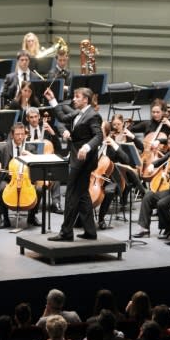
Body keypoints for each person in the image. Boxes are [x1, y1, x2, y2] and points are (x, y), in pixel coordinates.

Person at [48, 87, 103, 241]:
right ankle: (90, 232)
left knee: (71, 195)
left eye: (77, 97)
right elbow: (61, 117)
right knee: (83, 195)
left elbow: (99, 136)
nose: (74, 99)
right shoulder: (78, 112)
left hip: (84, 161)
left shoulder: (93, 115)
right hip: (76, 158)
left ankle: (66, 232)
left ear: (86, 99)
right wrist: (52, 99)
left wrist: (86, 147)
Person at [133, 131, 170, 239]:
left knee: (162, 203)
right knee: (148, 196)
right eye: (169, 143)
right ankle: (144, 229)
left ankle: (167, 230)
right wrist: (152, 165)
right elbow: (161, 161)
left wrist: (168, 177)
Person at [0, 122, 38, 228]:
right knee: (1, 188)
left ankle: (32, 217)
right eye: (17, 134)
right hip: (9, 179)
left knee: (39, 189)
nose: (20, 137)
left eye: (22, 134)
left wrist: (31, 156)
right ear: (12, 135)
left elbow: (38, 163)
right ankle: (5, 219)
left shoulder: (30, 147)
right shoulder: (3, 147)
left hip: (26, 179)